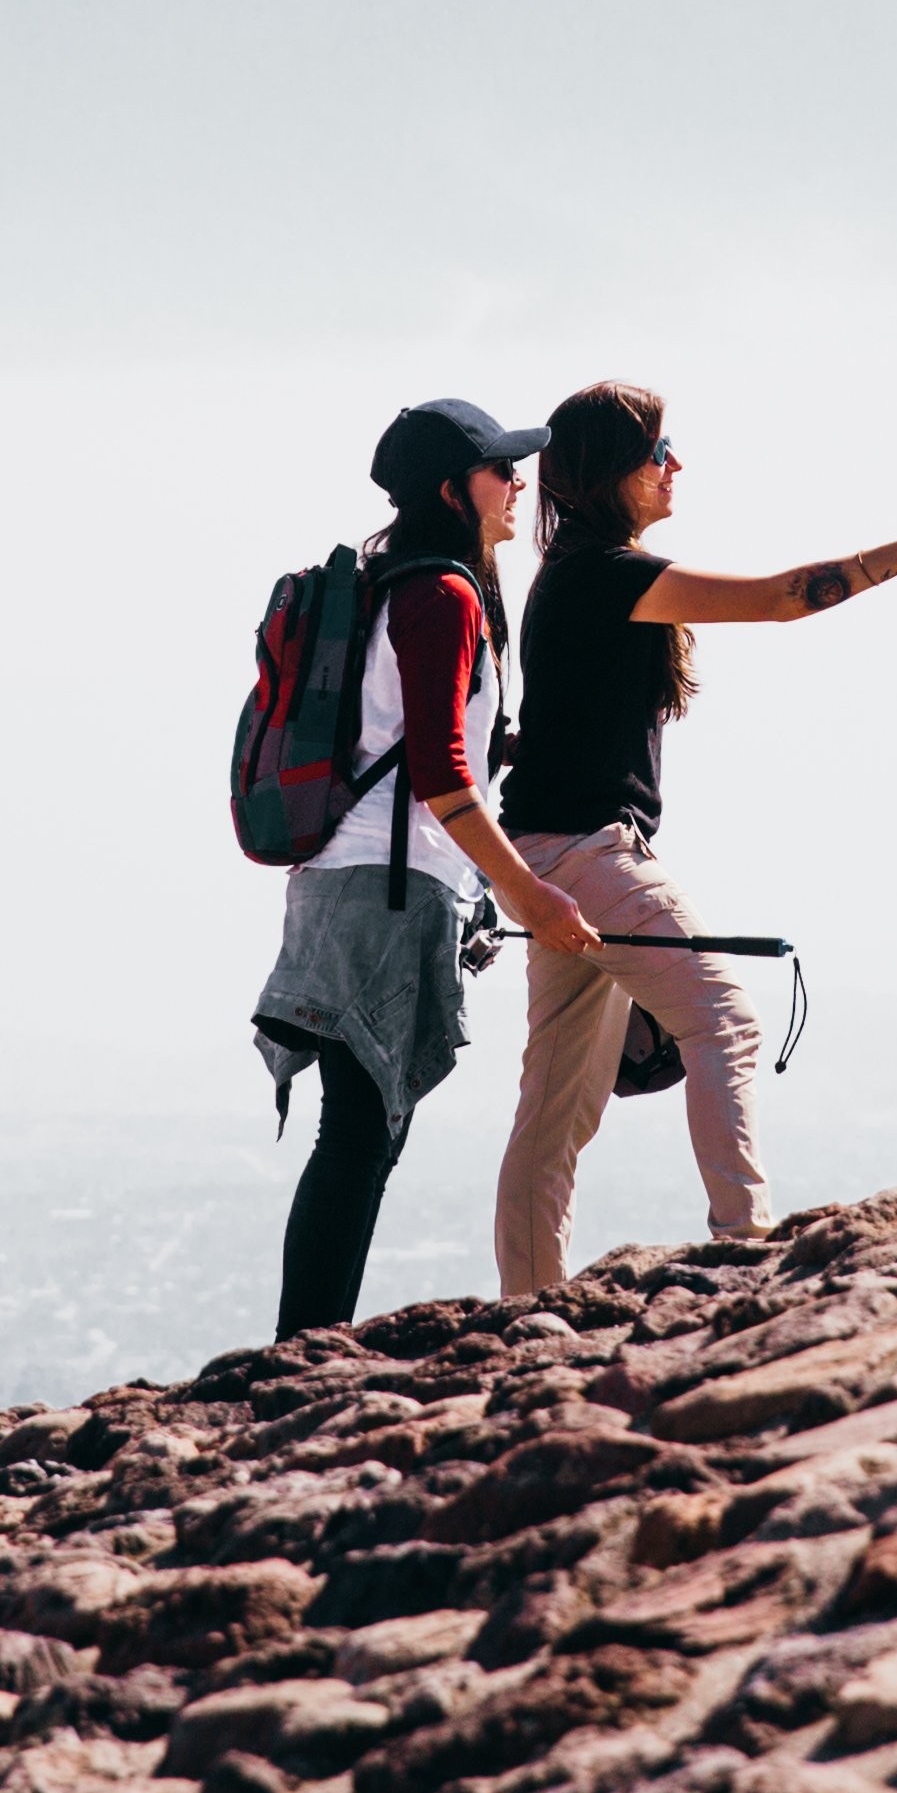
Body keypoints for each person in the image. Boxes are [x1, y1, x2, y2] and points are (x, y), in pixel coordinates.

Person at [491, 381, 897, 1293]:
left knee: (555, 1113)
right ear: (615, 472)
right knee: (723, 1023)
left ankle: (528, 1305)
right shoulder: (606, 575)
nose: (674, 465)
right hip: (588, 856)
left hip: (548, 854)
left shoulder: (576, 573)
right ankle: (743, 1248)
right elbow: (780, 600)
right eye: (659, 451)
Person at [249, 398, 601, 1337]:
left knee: (359, 1132)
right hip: (387, 889)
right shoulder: (439, 593)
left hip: (343, 879)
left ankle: (308, 1339)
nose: (519, 483)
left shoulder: (390, 579)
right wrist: (529, 891)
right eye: (502, 470)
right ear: (454, 490)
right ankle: (305, 1348)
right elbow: (442, 772)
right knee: (362, 1134)